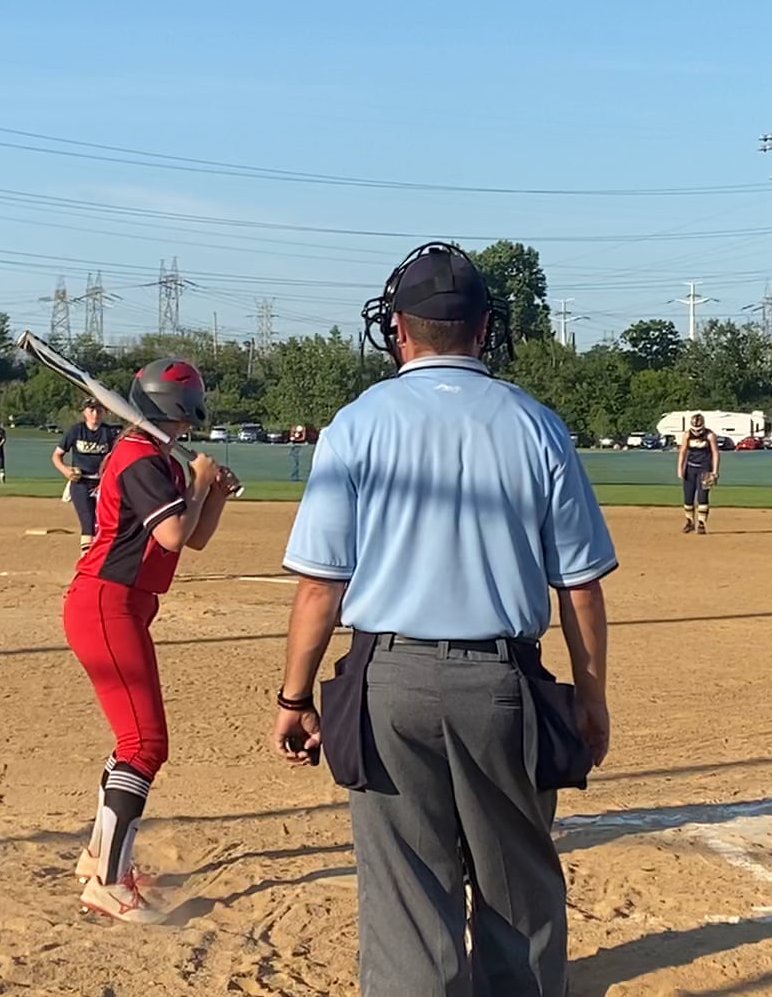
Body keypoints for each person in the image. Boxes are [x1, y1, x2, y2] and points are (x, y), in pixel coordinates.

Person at [269, 242, 616, 996]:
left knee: (406, 901)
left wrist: (295, 698)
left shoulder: (357, 424)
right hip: (503, 684)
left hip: (388, 682)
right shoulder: (536, 424)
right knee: (518, 893)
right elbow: (580, 587)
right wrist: (590, 699)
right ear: (484, 327)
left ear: (398, 329)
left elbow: (320, 587)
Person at [64, 358, 239, 923]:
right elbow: (171, 533)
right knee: (145, 744)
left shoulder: (156, 457)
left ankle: (98, 858)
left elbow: (195, 538)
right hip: (106, 604)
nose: (189, 425)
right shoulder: (141, 458)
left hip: (124, 605)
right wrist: (199, 481)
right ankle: (109, 884)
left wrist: (213, 494)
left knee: (133, 741)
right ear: (176, 409)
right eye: (186, 415)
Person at [53, 399, 121, 552]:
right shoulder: (76, 431)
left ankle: (101, 556)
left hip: (103, 483)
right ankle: (86, 559)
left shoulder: (109, 432)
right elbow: (57, 455)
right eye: (91, 410)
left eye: (99, 410)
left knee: (104, 522)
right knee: (88, 522)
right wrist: (65, 470)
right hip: (81, 482)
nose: (95, 414)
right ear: (84, 412)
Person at [678, 413, 718, 534]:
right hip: (690, 469)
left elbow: (715, 453)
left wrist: (715, 471)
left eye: (699, 430)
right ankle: (689, 522)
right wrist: (680, 468)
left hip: (705, 469)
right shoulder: (687, 435)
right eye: (694, 430)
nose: (696, 432)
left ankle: (701, 523)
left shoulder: (710, 435)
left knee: (702, 496)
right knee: (688, 497)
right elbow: (682, 452)